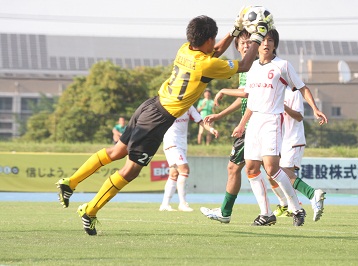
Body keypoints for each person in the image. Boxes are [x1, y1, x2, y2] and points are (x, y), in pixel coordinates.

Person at [56, 12, 275, 235]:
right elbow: (245, 65)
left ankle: (70, 183)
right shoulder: (205, 66)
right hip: (158, 119)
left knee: (116, 151)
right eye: (214, 38)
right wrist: (258, 35)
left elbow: (214, 52)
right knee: (130, 170)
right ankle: (90, 211)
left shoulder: (186, 49)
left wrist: (235, 30)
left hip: (150, 105)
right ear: (208, 40)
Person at [230, 29, 328, 226]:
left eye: (270, 40)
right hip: (254, 122)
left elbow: (302, 87)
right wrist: (241, 125)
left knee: (272, 169)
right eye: (263, 40)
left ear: (275, 45)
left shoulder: (282, 65)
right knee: (250, 168)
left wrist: (315, 109)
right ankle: (265, 214)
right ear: (256, 45)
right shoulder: (252, 68)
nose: (266, 43)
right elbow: (251, 100)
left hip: (272, 121)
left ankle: (297, 209)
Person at [200, 30, 252, 224]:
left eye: (249, 42)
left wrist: (223, 90)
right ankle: (291, 207)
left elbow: (248, 95)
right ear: (237, 47)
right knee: (267, 170)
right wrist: (220, 115)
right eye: (242, 43)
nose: (246, 45)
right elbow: (243, 96)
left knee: (237, 168)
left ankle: (225, 212)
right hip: (254, 125)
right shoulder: (246, 70)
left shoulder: (256, 67)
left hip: (256, 125)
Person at [269, 86, 326, 222]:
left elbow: (299, 117)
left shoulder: (293, 92)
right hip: (280, 140)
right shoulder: (274, 91)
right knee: (271, 173)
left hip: (293, 140)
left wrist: (284, 107)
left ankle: (311, 194)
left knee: (282, 173)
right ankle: (287, 205)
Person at [160, 106, 218, 212]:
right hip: (172, 142)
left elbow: (200, 121)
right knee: (185, 170)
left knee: (174, 174)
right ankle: (182, 203)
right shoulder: (171, 104)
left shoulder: (189, 106)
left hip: (182, 144)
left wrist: (211, 129)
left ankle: (165, 204)